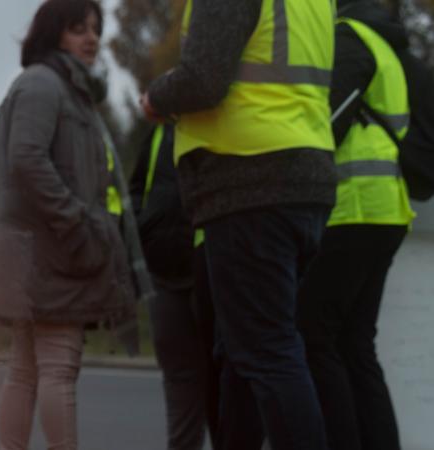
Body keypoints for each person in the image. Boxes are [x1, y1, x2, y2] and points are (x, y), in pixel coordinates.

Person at [140, 0, 337, 447]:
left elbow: (204, 79)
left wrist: (155, 97)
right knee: (242, 352)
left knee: (266, 352)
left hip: (250, 180)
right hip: (302, 179)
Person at [0, 1, 139, 448]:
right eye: (77, 29)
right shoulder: (43, 84)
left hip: (41, 246)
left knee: (29, 368)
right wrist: (78, 222)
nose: (91, 38)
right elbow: (27, 159)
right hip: (52, 247)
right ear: (52, 34)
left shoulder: (65, 88)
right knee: (58, 366)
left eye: (95, 28)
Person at [297, 1, 414, 449]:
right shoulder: (385, 44)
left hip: (353, 208)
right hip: (385, 209)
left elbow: (324, 124)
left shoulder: (349, 37)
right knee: (355, 344)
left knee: (313, 334)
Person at [130, 124, 220, 450]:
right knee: (180, 382)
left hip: (215, 270)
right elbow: (137, 189)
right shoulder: (159, 130)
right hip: (164, 275)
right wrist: (145, 228)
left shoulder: (226, 113)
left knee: (228, 378)